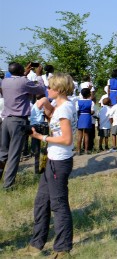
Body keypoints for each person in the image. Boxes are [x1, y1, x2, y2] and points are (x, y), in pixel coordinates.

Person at [24, 73, 76, 257]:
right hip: (52, 159)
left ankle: (63, 248)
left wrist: (41, 137)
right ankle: (37, 243)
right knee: (41, 202)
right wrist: (46, 104)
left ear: (59, 89)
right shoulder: (60, 105)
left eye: (50, 87)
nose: (47, 89)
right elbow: (53, 118)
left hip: (59, 161)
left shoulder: (65, 109)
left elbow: (67, 139)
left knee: (58, 204)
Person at [0, 62, 45, 190]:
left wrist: (23, 74)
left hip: (6, 120)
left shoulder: (5, 81)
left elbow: (17, 82)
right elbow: (41, 89)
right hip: (19, 121)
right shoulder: (23, 82)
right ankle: (8, 185)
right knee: (14, 154)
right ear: (21, 71)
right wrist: (38, 75)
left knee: (2, 153)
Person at [75, 88, 95, 155]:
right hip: (87, 117)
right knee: (86, 135)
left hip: (80, 117)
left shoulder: (78, 102)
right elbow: (92, 112)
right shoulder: (91, 102)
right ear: (89, 94)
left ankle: (78, 150)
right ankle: (86, 150)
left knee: (79, 135)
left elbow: (77, 111)